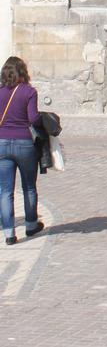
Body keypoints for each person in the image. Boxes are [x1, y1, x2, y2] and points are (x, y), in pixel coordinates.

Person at [0, 56, 45, 245]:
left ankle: (9, 233)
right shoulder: (29, 92)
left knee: (5, 191)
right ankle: (31, 225)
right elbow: (33, 118)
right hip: (25, 143)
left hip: (1, 143)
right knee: (29, 187)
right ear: (22, 71)